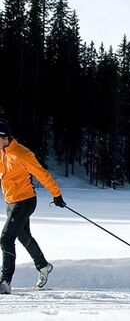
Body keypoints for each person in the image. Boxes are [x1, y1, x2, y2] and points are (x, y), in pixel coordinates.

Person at [0, 121, 67, 294]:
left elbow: (41, 173)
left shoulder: (22, 154)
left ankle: (5, 281)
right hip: (10, 201)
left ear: (5, 137)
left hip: (25, 201)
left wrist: (56, 194)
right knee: (23, 236)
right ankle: (43, 265)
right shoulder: (2, 152)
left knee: (6, 238)